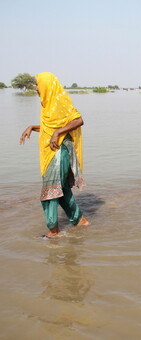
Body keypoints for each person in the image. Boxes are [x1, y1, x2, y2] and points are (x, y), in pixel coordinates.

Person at [19, 72, 90, 238]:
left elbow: (78, 120)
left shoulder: (60, 102)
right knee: (62, 191)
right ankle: (80, 221)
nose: (36, 88)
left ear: (47, 86)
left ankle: (53, 231)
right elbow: (50, 127)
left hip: (58, 155)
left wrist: (57, 133)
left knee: (49, 192)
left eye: (38, 84)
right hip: (52, 154)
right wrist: (32, 127)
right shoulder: (48, 105)